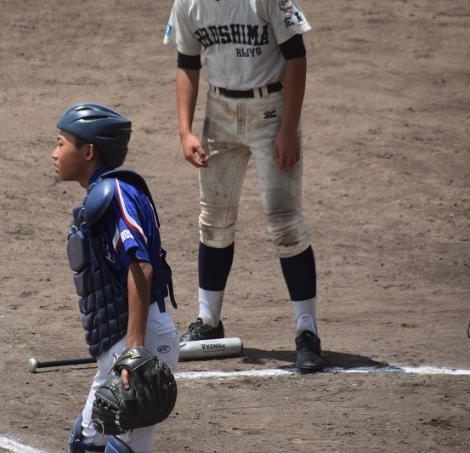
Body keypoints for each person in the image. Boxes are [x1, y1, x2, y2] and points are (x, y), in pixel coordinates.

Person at [162, 0, 327, 371]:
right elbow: (187, 62)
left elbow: (296, 56)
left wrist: (288, 128)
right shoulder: (188, 3)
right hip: (218, 111)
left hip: (271, 111)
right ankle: (208, 321)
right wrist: (185, 130)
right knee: (214, 220)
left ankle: (307, 332)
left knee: (285, 223)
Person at [52, 102, 180, 453]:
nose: (54, 153)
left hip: (141, 340)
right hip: (122, 342)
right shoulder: (103, 195)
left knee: (125, 449)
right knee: (86, 441)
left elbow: (141, 266)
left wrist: (134, 351)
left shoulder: (116, 194)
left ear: (88, 151)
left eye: (61, 143)